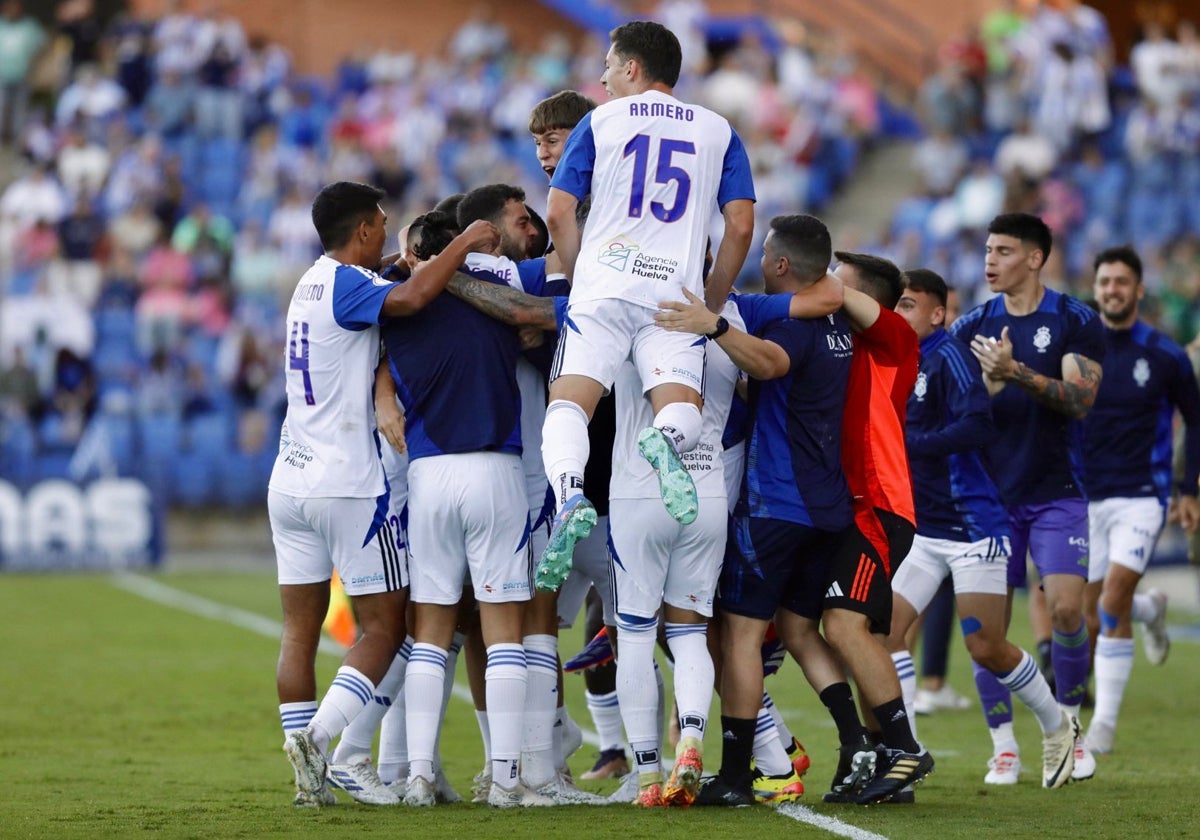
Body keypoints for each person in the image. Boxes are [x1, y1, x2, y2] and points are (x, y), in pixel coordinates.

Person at [273, 181, 498, 807]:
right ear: (363, 231)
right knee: (387, 624)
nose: (385, 226)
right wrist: (468, 243)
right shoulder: (351, 284)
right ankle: (319, 741)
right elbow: (414, 296)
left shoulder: (312, 283)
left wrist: (406, 261)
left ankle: (306, 780)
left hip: (288, 478)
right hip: (344, 484)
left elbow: (387, 291)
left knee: (299, 631)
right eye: (380, 220)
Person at [538, 20, 755, 586]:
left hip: (605, 288)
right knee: (680, 409)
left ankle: (568, 497)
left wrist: (585, 273)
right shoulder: (719, 130)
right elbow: (740, 225)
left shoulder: (600, 120)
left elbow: (559, 210)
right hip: (674, 296)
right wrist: (709, 301)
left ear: (632, 67)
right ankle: (665, 444)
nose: (604, 79)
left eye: (609, 67)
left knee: (568, 407)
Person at [378, 209, 555, 809]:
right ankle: (505, 779)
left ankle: (420, 775)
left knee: (430, 632)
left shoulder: (393, 304)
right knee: (503, 631)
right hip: (497, 469)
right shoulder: (501, 291)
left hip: (428, 472)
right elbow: (540, 317)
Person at [888, 268, 1077, 789]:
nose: (899, 313)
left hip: (974, 528)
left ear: (936, 313)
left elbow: (978, 425)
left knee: (987, 647)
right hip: (927, 532)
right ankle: (905, 752)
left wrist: (913, 444)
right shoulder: (906, 357)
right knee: (883, 633)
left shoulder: (950, 358)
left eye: (908, 305)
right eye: (896, 304)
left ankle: (1058, 726)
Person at [949, 212, 1105, 783]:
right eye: (988, 249)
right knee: (987, 631)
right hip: (988, 498)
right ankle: (1004, 745)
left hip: (1057, 490)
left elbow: (1080, 399)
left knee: (1066, 608)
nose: (990, 260)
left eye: (1004, 251)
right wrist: (985, 389)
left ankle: (1068, 728)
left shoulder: (1074, 320)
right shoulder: (971, 326)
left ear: (1035, 258)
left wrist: (1015, 373)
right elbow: (954, 412)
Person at [788, 251, 932, 805]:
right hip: (845, 509)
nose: (826, 290)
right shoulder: (841, 349)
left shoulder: (894, 341)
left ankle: (903, 747)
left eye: (837, 283)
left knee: (844, 626)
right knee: (837, 629)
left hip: (879, 507)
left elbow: (833, 294)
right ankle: (875, 753)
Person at [1081, 245, 1200, 754]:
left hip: (1142, 497)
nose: (1113, 290)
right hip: (1083, 497)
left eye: (1122, 282)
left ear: (1138, 289)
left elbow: (1195, 421)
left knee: (1110, 603)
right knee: (1089, 612)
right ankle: (1150, 610)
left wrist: (1188, 489)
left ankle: (1103, 725)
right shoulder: (1076, 351)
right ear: (1096, 288)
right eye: (1105, 281)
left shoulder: (1165, 353)